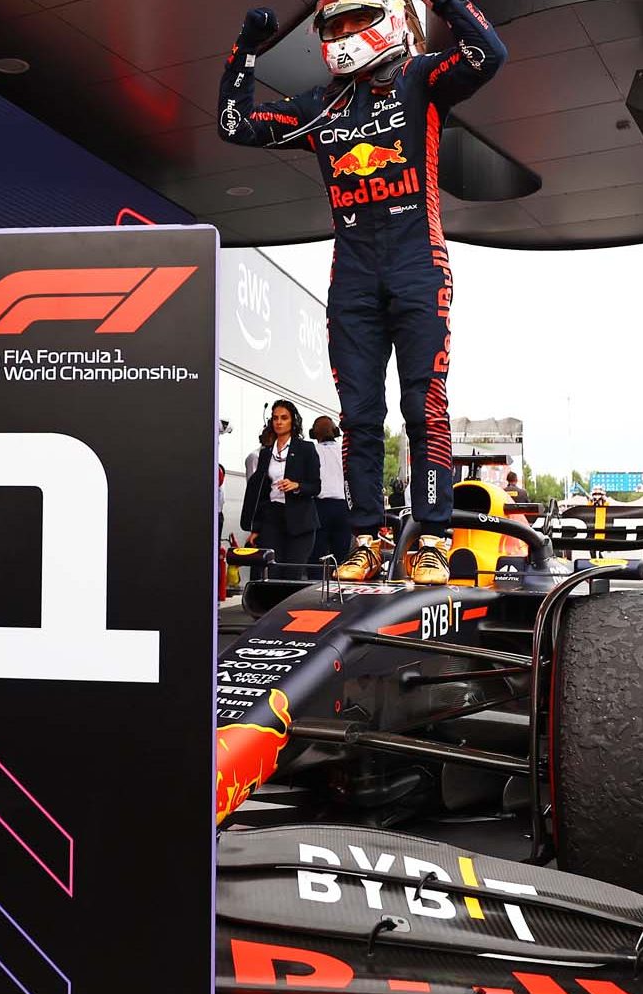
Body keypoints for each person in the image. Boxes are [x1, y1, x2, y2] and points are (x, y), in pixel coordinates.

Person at [219, 0, 506, 585]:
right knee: (359, 417)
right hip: (351, 279)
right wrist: (248, 47)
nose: (345, 35)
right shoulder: (319, 106)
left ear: (391, 16)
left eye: (357, 20)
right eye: (334, 26)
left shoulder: (421, 79)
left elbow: (488, 55)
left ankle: (430, 539)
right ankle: (368, 538)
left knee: (423, 406)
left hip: (418, 266)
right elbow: (233, 124)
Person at [240, 401, 322, 577]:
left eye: (284, 418)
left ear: (293, 421)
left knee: (292, 572)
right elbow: (261, 492)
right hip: (272, 517)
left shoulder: (306, 448)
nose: (279, 422)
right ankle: (269, 605)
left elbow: (315, 486)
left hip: (300, 520)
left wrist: (297, 486)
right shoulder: (265, 453)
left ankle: (289, 605)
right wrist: (256, 528)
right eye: (275, 418)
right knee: (271, 570)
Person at [309, 415, 354, 566]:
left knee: (316, 557)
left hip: (318, 507)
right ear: (335, 432)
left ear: (313, 434)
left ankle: (315, 587)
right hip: (343, 507)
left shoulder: (311, 450)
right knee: (341, 559)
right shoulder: (345, 451)